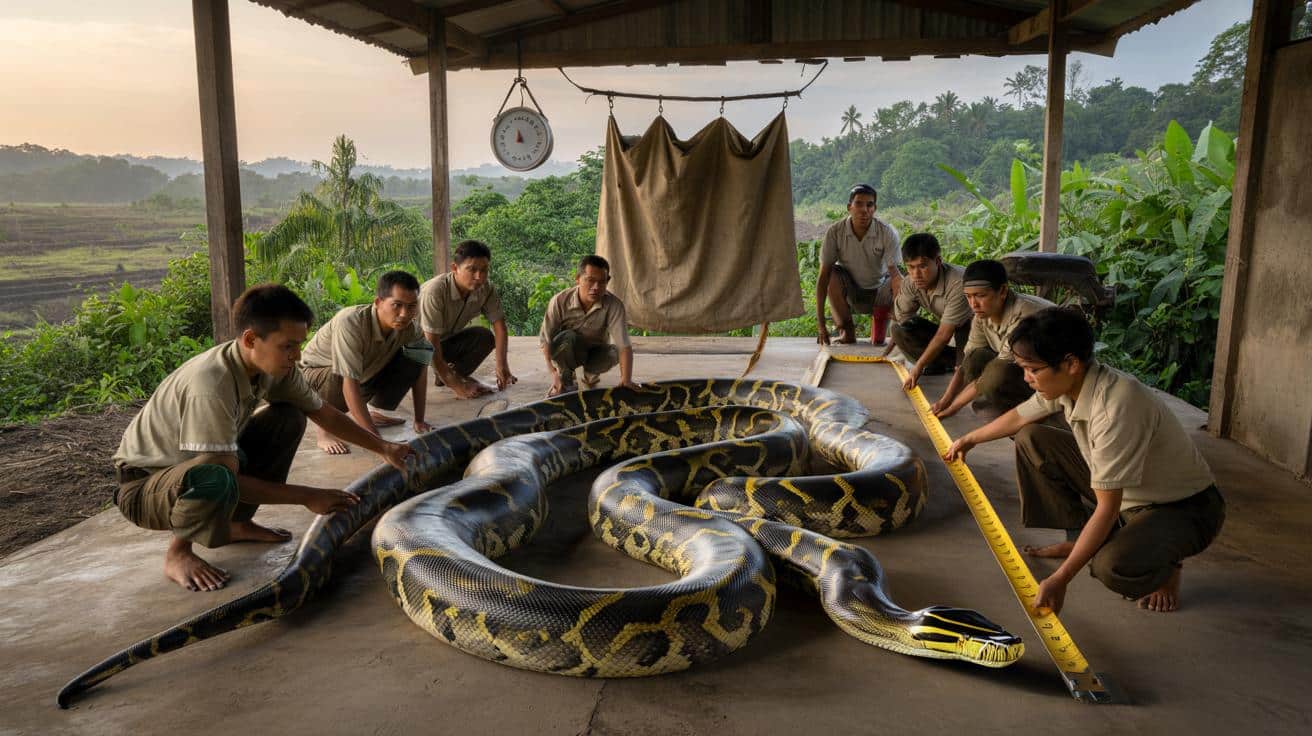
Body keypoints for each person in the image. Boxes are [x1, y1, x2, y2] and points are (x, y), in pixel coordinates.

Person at [111, 284, 413, 592]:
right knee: (215, 474)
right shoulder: (211, 385)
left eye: (299, 344)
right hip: (145, 487)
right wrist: (308, 496)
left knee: (288, 418)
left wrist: (384, 448)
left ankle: (238, 523)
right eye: (288, 346)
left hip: (192, 469)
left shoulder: (273, 369)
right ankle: (178, 553)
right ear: (250, 340)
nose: (297, 355)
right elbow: (225, 476)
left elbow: (323, 412)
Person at [943, 308, 1224, 614]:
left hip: (1181, 507)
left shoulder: (1116, 407)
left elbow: (1108, 507)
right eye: (1023, 368)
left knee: (1111, 566)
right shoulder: (1068, 382)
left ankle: (1167, 564)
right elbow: (1020, 417)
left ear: (1071, 363)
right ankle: (1081, 538)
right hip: (1130, 494)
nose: (1026, 379)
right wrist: (969, 439)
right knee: (1032, 438)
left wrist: (1060, 578)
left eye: (1032, 370)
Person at [300, 270, 434, 455]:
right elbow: (349, 383)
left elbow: (420, 371)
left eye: (411, 306)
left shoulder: (411, 329)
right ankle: (325, 430)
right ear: (378, 302)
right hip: (313, 378)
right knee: (342, 374)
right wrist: (379, 444)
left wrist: (419, 420)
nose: (404, 314)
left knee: (417, 357)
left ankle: (369, 413)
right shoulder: (351, 322)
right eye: (397, 305)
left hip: (359, 374)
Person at [932, 259, 1054, 419]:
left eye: (980, 295)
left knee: (997, 374)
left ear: (1002, 291)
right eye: (968, 296)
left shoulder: (1025, 314)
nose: (973, 304)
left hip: (1051, 374)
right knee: (974, 358)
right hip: (1022, 366)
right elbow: (967, 363)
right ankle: (999, 399)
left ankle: (1028, 408)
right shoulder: (982, 315)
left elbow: (997, 369)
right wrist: (945, 400)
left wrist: (954, 407)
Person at [418, 239, 517, 400]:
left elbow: (500, 327)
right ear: (454, 268)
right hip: (413, 347)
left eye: (484, 270)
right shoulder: (435, 292)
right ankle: (448, 376)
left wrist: (502, 365)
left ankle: (448, 374)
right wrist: (458, 386)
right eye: (472, 269)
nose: (479, 277)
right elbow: (430, 343)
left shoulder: (486, 289)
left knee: (484, 337)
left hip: (442, 341)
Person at [815, 183, 902, 346]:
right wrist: (821, 325)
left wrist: (899, 322)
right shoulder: (835, 232)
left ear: (875, 208)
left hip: (880, 291)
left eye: (869, 205)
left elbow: (895, 276)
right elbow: (823, 278)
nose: (864, 210)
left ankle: (888, 331)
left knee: (903, 280)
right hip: (850, 292)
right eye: (859, 204)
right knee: (831, 273)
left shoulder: (886, 232)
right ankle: (847, 331)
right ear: (849, 207)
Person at [539, 254, 638, 397]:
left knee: (614, 353)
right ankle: (565, 378)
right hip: (565, 348)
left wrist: (626, 380)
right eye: (590, 280)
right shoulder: (560, 301)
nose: (596, 287)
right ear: (577, 278)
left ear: (608, 281)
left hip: (592, 351)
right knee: (570, 338)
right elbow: (545, 342)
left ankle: (588, 375)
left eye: (601, 282)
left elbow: (624, 346)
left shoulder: (614, 305)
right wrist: (553, 373)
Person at [890, 233, 973, 391]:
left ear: (938, 261)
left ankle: (964, 360)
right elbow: (903, 319)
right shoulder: (910, 282)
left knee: (966, 375)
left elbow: (944, 334)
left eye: (922, 266)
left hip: (974, 330)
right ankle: (941, 362)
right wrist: (896, 343)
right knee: (898, 330)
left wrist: (919, 366)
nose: (916, 274)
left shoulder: (958, 282)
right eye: (911, 267)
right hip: (950, 328)